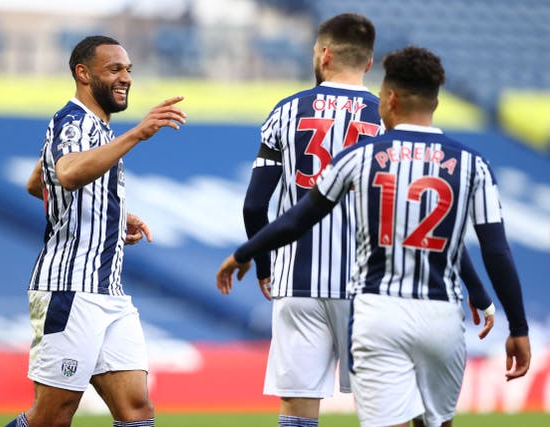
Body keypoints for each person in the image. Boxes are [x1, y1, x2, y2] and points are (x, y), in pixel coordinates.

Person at [217, 46, 530, 427]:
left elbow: (297, 219)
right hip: (441, 315)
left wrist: (246, 252)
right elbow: (496, 249)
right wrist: (516, 325)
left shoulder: (361, 158)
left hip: (378, 311)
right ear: (435, 100)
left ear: (392, 98)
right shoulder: (472, 164)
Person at [6, 35, 187, 427]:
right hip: (70, 289)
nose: (126, 78)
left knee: (137, 410)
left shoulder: (97, 129)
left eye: (128, 70)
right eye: (115, 69)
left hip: (109, 291)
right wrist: (138, 133)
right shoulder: (73, 120)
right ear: (83, 74)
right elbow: (68, 173)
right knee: (52, 417)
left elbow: (39, 183)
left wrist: (111, 216)